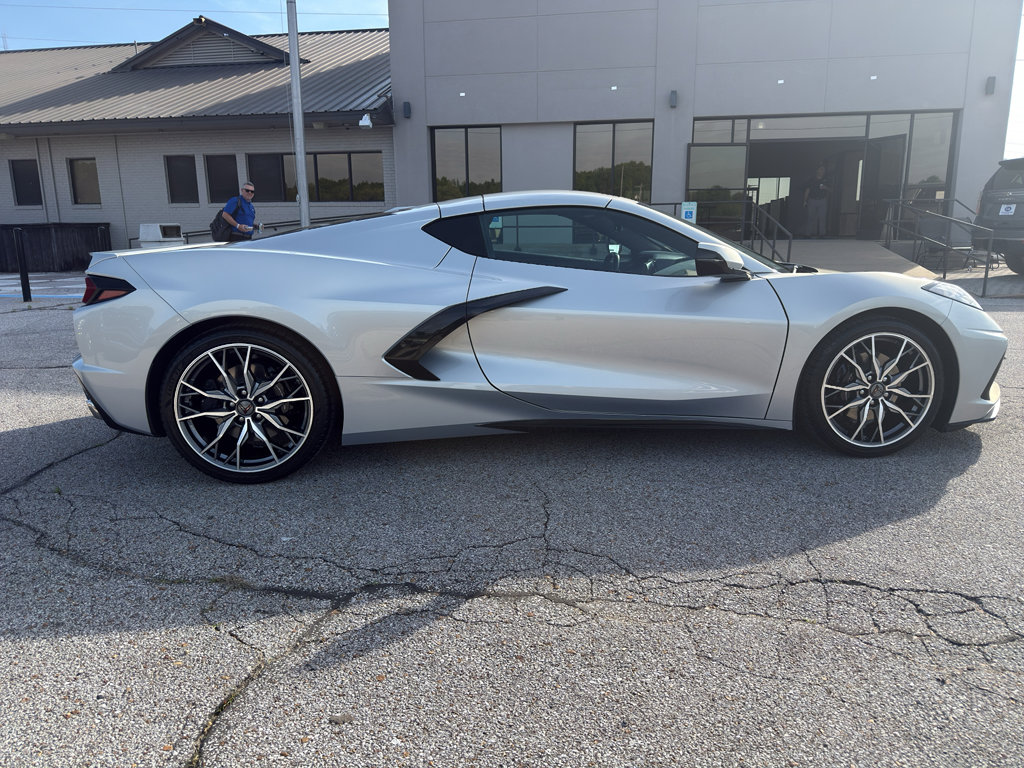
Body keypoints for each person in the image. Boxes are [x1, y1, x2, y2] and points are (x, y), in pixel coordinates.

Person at [803, 164, 830, 238]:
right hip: (812, 200)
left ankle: (822, 234)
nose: (822, 171)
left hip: (822, 200)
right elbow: (807, 190)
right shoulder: (811, 180)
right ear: (817, 170)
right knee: (810, 217)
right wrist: (805, 201)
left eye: (823, 170)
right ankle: (808, 234)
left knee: (822, 218)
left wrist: (825, 187)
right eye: (821, 169)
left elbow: (831, 190)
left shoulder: (826, 180)